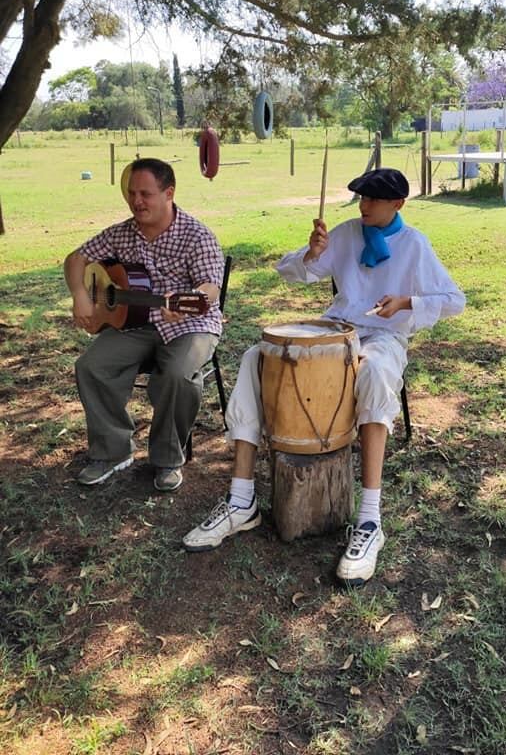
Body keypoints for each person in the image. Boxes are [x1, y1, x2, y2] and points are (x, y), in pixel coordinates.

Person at [183, 167, 465, 585]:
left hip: (384, 337)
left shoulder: (414, 244)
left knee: (373, 374)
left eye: (372, 200)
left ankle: (369, 520)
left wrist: (407, 301)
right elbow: (291, 271)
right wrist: (313, 254)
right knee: (254, 358)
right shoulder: (348, 232)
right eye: (361, 198)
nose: (364, 206)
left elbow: (454, 300)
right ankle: (242, 501)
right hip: (336, 327)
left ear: (398, 204)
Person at [65, 157, 224, 493]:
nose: (136, 201)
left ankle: (167, 459)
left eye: (146, 194)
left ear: (169, 193)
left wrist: (186, 300)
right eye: (132, 193)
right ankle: (112, 452)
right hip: (134, 324)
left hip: (190, 325)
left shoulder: (197, 235)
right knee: (91, 366)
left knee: (177, 375)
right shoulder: (122, 233)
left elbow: (210, 287)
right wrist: (80, 293)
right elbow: (76, 258)